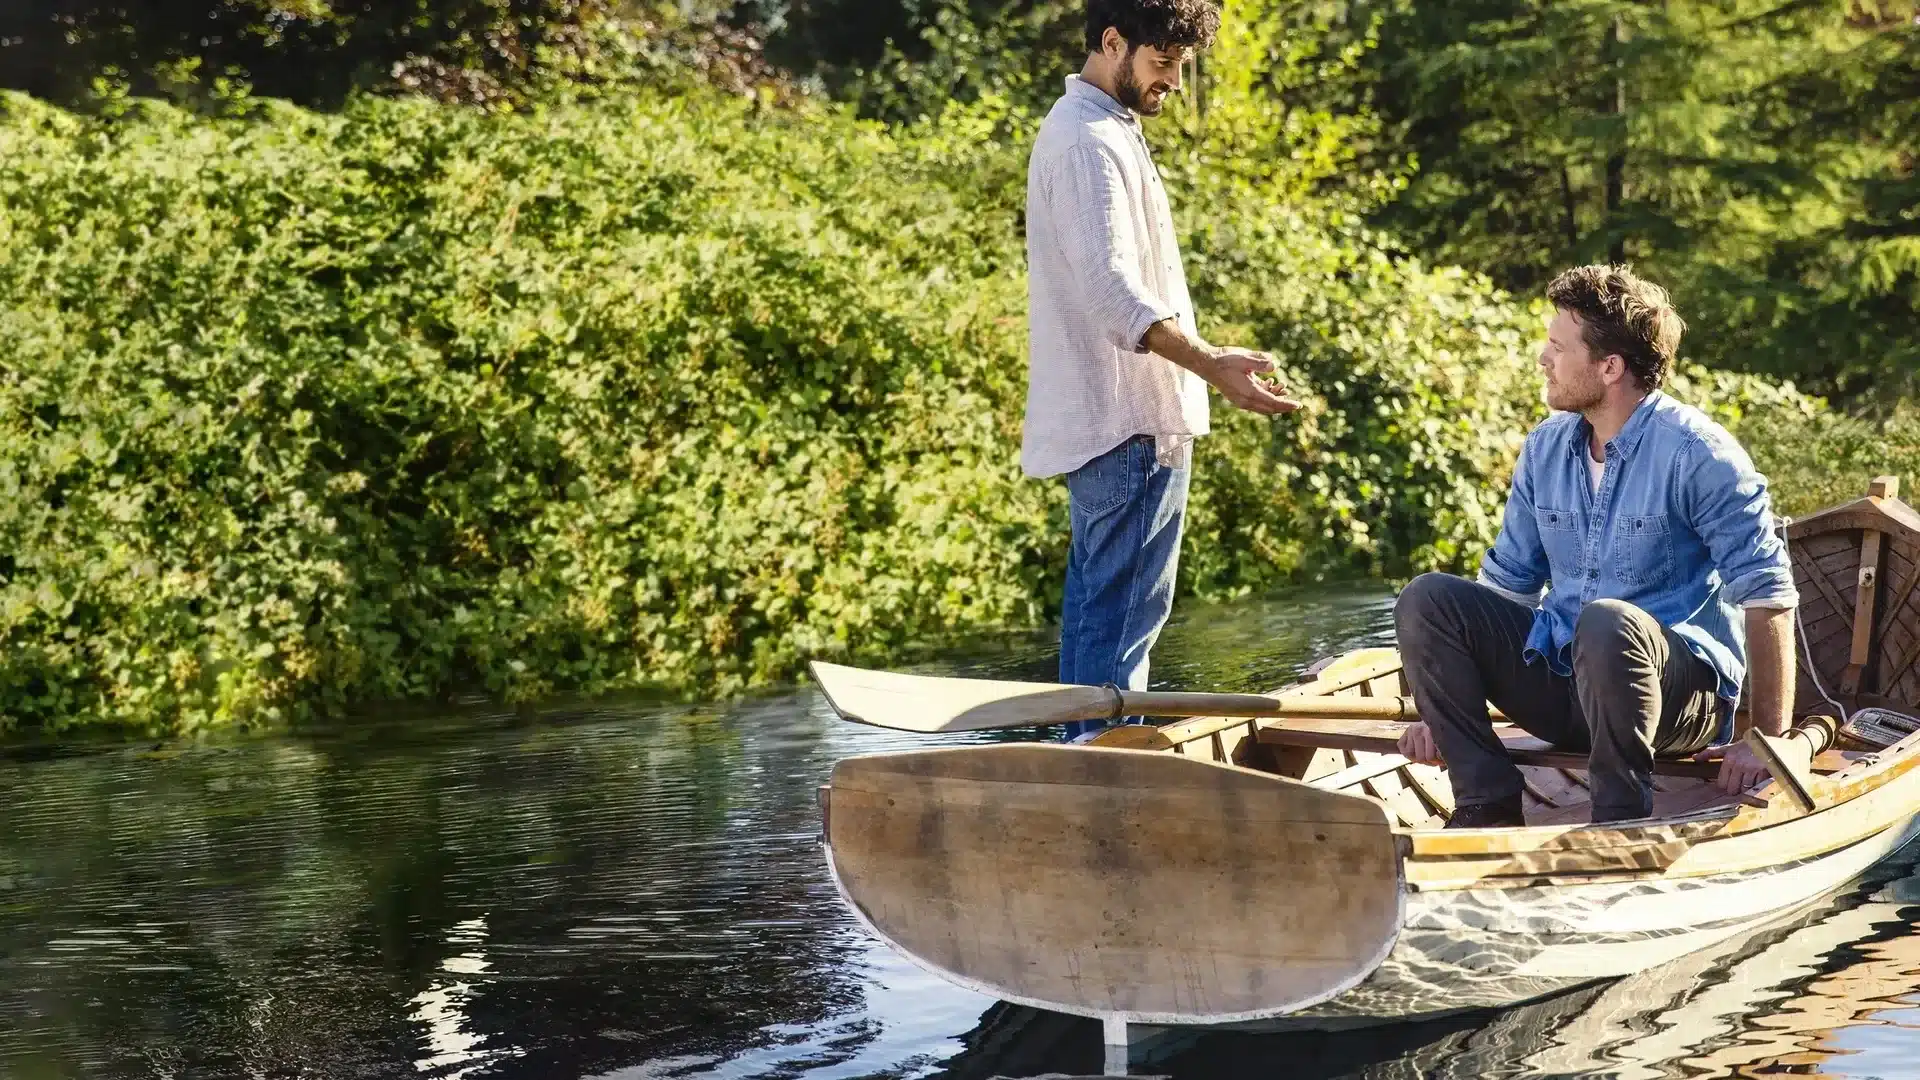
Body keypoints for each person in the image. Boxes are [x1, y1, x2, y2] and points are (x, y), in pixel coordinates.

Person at [1393, 264, 1802, 827]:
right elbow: (1507, 584)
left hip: (1677, 704)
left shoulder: (1699, 454)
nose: (1542, 359)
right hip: (1567, 690)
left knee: (1607, 622)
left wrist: (1768, 736)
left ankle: (1619, 820)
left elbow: (1768, 594)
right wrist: (1442, 706)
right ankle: (1485, 804)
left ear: (1609, 367)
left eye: (1558, 347)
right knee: (1429, 599)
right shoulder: (1545, 448)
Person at [1023, 0, 1300, 740]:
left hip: (1127, 425)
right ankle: (1103, 785)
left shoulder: (1104, 130)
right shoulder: (1086, 140)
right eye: (1162, 61)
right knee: (1118, 635)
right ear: (1112, 42)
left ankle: (1084, 776)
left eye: (1181, 64)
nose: (1173, 80)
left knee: (1103, 629)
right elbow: (1114, 294)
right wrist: (1214, 367)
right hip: (1129, 426)